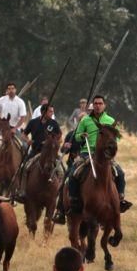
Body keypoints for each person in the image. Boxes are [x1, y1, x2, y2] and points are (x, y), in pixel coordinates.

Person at [53, 95, 131, 223]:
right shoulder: (85, 120)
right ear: (92, 105)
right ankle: (70, 203)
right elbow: (76, 136)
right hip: (86, 153)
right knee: (72, 174)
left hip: (105, 155)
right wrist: (82, 135)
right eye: (95, 103)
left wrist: (110, 141)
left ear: (104, 105)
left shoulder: (110, 120)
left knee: (120, 173)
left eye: (100, 103)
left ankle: (120, 200)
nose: (98, 106)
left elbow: (117, 137)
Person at [13, 104, 63, 203]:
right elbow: (24, 134)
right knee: (24, 167)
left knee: (61, 169)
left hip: (50, 154)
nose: (52, 113)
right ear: (43, 112)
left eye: (52, 111)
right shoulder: (33, 122)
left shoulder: (53, 123)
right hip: (36, 151)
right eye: (50, 111)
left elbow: (60, 136)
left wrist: (54, 142)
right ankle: (22, 191)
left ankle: (60, 192)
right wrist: (27, 141)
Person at [0, 82, 28, 149]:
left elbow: (23, 118)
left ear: (15, 90)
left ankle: (25, 159)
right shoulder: (1, 100)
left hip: (14, 128)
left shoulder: (20, 102)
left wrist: (15, 128)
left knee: (25, 146)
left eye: (12, 88)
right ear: (7, 90)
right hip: (2, 127)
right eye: (9, 89)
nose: (11, 90)